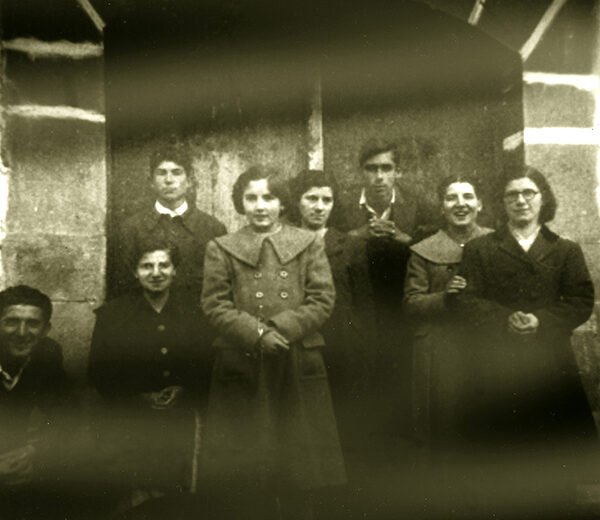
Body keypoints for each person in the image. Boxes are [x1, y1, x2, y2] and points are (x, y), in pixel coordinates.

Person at [200, 165, 345, 519]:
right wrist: (258, 334)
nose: (260, 206)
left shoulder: (308, 243)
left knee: (299, 466)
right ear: (240, 203)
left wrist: (281, 328)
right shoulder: (221, 248)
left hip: (296, 361)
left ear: (283, 203)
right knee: (248, 469)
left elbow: (322, 299)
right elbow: (215, 304)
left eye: (269, 197)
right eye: (251, 198)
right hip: (244, 363)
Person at [456, 166, 597, 517]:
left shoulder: (565, 249)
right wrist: (504, 320)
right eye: (512, 194)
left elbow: (580, 300)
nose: (520, 200)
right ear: (501, 202)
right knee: (502, 458)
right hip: (496, 365)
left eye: (528, 193)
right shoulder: (480, 249)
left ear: (542, 198)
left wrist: (542, 321)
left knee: (551, 457)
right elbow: (467, 299)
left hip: (550, 364)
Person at [89, 239, 210, 513]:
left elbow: (207, 364)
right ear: (135, 272)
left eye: (164, 265)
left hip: (182, 418)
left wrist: (183, 388)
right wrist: (140, 395)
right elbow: (98, 372)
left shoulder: (196, 313)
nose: (156, 273)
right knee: (136, 496)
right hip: (130, 418)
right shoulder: (113, 315)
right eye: (147, 266)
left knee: (178, 496)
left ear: (175, 270)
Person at [403, 176, 491, 515]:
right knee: (442, 425)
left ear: (480, 203)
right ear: (442, 207)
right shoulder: (424, 250)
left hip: (485, 347)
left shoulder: (497, 242)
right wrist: (445, 296)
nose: (460, 204)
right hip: (440, 350)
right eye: (452, 198)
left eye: (468, 196)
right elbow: (411, 303)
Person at [113, 144, 226, 297]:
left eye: (177, 172)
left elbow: (219, 287)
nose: (169, 180)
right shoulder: (131, 229)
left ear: (190, 180)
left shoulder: (212, 228)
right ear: (151, 181)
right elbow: (123, 287)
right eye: (161, 173)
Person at [0, 285, 72, 519]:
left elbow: (64, 415)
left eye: (32, 323)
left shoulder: (47, 354)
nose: (22, 332)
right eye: (11, 322)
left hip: (17, 461)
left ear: (45, 329)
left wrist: (35, 452)